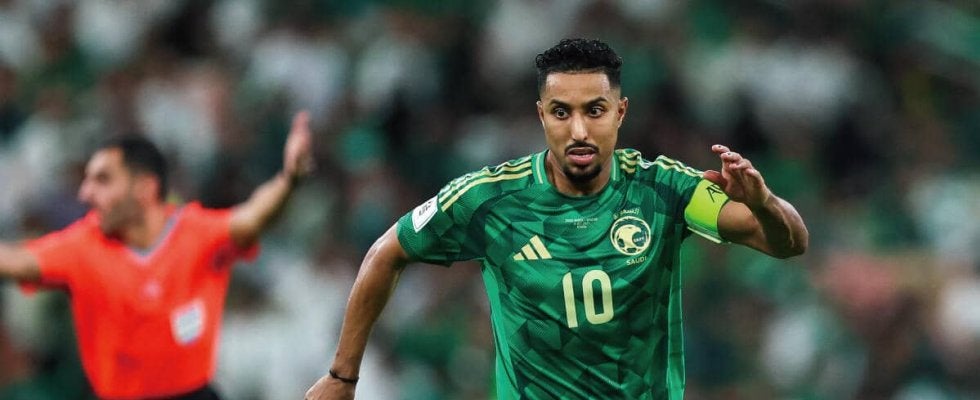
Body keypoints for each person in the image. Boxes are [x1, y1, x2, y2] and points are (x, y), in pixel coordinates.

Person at [305, 38, 808, 400]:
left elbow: (789, 243)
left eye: (595, 110)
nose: (580, 130)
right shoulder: (490, 199)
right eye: (562, 112)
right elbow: (386, 252)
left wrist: (764, 201)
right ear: (541, 115)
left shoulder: (664, 189)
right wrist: (342, 376)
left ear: (621, 112)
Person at [0, 110, 315, 400]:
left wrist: (289, 179)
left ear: (144, 188)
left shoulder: (195, 232)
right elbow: (17, 262)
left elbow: (253, 217)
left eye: (102, 180)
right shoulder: (82, 246)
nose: (86, 193)